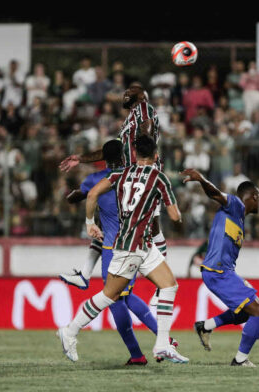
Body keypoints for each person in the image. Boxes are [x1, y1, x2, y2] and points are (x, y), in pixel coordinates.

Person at [57, 136, 188, 364]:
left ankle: (163, 344)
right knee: (110, 296)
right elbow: (176, 217)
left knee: (169, 285)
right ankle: (69, 330)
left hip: (141, 245)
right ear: (156, 156)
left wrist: (89, 223)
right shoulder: (159, 178)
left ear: (135, 155)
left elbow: (90, 194)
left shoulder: (120, 175)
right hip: (128, 247)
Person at [59, 82, 168, 303]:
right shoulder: (128, 121)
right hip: (129, 178)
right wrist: (80, 158)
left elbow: (146, 136)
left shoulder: (144, 108)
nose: (126, 93)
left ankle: (162, 286)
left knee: (153, 226)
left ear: (141, 95)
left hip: (144, 176)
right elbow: (110, 150)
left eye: (132, 90)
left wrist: (143, 163)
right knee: (108, 223)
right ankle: (85, 274)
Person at [185, 168, 259, 367]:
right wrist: (200, 179)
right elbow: (215, 194)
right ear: (252, 197)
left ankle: (206, 326)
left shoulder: (239, 219)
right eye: (258, 198)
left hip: (223, 272)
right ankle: (240, 360)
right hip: (218, 273)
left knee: (247, 311)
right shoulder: (236, 205)